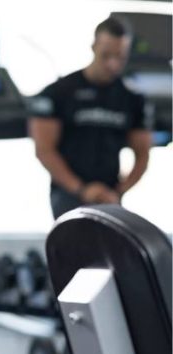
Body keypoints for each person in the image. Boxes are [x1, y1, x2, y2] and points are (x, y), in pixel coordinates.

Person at [29, 16, 152, 219]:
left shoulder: (132, 99)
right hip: (68, 192)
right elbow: (44, 150)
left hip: (110, 195)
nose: (112, 64)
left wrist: (120, 190)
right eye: (106, 55)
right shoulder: (59, 92)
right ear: (94, 46)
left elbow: (143, 154)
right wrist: (81, 189)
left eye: (119, 57)